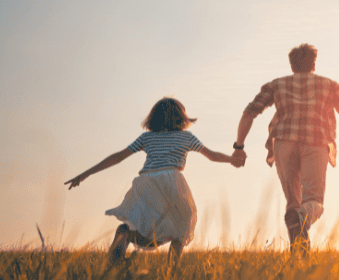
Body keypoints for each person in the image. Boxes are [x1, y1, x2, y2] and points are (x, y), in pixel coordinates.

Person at [231, 43, 339, 255]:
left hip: (284, 143)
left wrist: (239, 146)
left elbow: (249, 112)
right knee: (313, 201)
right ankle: (300, 226)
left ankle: (299, 254)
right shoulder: (329, 85)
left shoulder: (276, 85)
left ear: (291, 65)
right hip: (315, 141)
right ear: (313, 64)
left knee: (293, 202)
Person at [65, 97, 233, 266]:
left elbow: (118, 157)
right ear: (182, 118)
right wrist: (232, 159)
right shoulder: (186, 137)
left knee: (146, 227)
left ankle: (125, 235)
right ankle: (171, 269)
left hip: (146, 182)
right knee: (183, 224)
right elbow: (212, 156)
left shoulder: (147, 138)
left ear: (153, 118)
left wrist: (86, 173)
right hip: (172, 181)